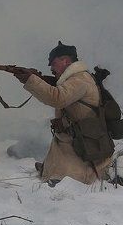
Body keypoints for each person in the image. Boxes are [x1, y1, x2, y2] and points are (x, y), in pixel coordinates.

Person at [14, 41, 113, 186]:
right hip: (73, 137)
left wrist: (31, 80)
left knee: (67, 179)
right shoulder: (74, 79)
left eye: (53, 63)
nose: (51, 67)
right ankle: (51, 169)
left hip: (84, 141)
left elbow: (57, 98)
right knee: (59, 154)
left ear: (65, 61)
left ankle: (65, 176)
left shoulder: (79, 79)